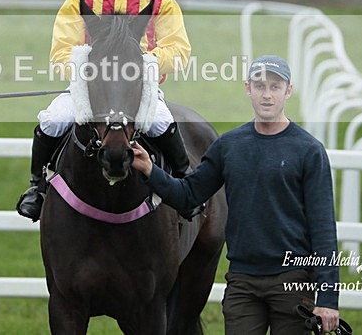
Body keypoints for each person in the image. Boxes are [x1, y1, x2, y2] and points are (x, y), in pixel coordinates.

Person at [131, 55, 341, 334]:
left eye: (275, 87)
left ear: (288, 91)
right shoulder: (228, 146)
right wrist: (150, 169)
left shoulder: (309, 151)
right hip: (243, 284)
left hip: (293, 282)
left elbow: (323, 228)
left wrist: (327, 299)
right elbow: (189, 195)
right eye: (260, 86)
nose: (267, 95)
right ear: (248, 88)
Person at [16, 0, 193, 222]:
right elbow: (61, 52)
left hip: (140, 89)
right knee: (54, 119)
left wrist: (144, 65)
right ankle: (37, 187)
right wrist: (90, 71)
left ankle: (185, 187)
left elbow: (178, 49)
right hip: (90, 88)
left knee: (162, 121)